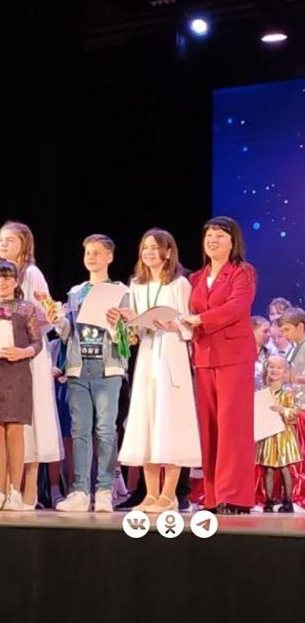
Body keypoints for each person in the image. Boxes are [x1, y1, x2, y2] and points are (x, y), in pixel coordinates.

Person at [116, 229, 201, 513]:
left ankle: (169, 494)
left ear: (168, 252)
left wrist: (176, 324)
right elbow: (136, 330)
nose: (149, 252)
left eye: (154, 247)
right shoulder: (136, 285)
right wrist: (130, 321)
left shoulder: (180, 283)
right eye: (145, 248)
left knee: (170, 422)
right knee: (147, 421)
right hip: (148, 356)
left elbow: (190, 323)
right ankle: (151, 494)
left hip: (172, 354)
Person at [49, 234, 129, 513]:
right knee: (79, 430)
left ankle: (105, 490)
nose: (92, 257)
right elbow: (68, 332)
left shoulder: (120, 291)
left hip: (108, 367)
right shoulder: (76, 292)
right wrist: (58, 322)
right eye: (88, 253)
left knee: (106, 429)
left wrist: (117, 325)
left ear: (110, 257)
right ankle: (80, 491)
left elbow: (130, 335)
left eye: (97, 252)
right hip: (78, 366)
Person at [184, 216, 256, 515]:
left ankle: (236, 496)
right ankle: (213, 496)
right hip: (204, 357)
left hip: (234, 357)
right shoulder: (195, 278)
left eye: (220, 235)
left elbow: (236, 308)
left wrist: (200, 319)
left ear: (232, 241)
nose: (213, 240)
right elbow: (185, 313)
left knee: (233, 427)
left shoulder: (242, 272)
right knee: (210, 428)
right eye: (209, 235)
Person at [0, 260, 41, 511]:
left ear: (15, 281)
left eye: (6, 278)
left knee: (14, 430)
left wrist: (23, 352)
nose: (1, 283)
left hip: (17, 372)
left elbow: (37, 343)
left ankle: (15, 492)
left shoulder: (26, 308)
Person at [256, 355, 301, 513]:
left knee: (284, 468)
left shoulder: (288, 394)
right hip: (268, 435)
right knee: (268, 468)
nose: (274, 370)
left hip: (283, 436)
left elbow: (295, 413)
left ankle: (288, 501)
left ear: (286, 372)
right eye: (271, 366)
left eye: (279, 367)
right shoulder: (262, 393)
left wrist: (282, 410)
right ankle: (268, 500)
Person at [252, 316, 272, 389]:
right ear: (252, 332)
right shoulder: (239, 355)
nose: (269, 334)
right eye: (265, 331)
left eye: (269, 331)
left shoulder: (271, 355)